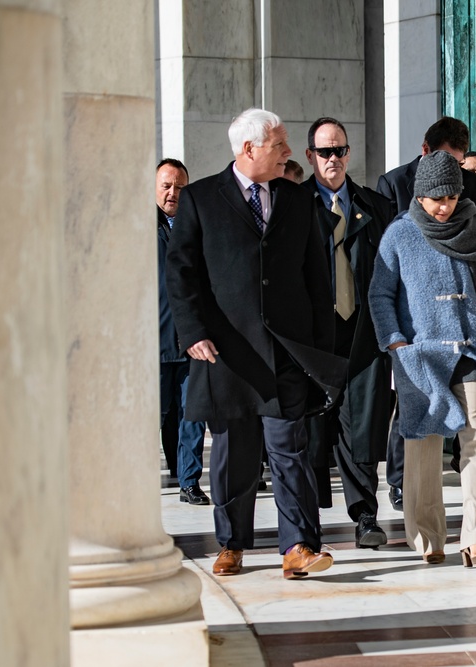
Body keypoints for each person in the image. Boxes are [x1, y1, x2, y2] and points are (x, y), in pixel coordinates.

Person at [166, 108, 346, 580]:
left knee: (291, 450)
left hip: (286, 352)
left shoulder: (297, 199)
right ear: (249, 149)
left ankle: (299, 546)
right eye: (280, 144)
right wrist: (193, 332)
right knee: (233, 456)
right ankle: (231, 544)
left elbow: (316, 278)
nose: (289, 152)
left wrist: (318, 349)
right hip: (225, 354)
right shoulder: (201, 199)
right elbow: (181, 273)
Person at [369, 150, 476, 568]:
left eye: (452, 198)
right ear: (420, 195)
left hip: (473, 349)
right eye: (437, 199)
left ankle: (475, 540)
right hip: (420, 356)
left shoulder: (474, 224)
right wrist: (396, 344)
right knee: (423, 447)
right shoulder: (399, 234)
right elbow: (380, 295)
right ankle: (428, 538)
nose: (445, 207)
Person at [376, 117, 476, 513]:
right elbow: (384, 282)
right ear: (426, 150)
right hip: (420, 341)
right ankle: (404, 491)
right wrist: (397, 342)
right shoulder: (394, 189)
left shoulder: (472, 195)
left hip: (472, 341)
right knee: (418, 432)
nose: (446, 203)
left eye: (459, 163)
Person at [301, 117, 394, 549]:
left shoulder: (375, 207)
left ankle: (365, 516)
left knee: (362, 426)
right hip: (312, 339)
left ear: (349, 154)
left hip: (363, 335)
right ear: (310, 157)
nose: (333, 159)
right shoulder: (293, 207)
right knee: (311, 430)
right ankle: (304, 525)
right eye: (325, 152)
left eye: (339, 150)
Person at [155, 158, 208, 505]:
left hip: (191, 339)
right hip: (154, 342)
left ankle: (189, 481)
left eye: (180, 186)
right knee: (157, 416)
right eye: (167, 185)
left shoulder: (197, 226)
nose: (174, 192)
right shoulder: (138, 227)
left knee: (193, 414)